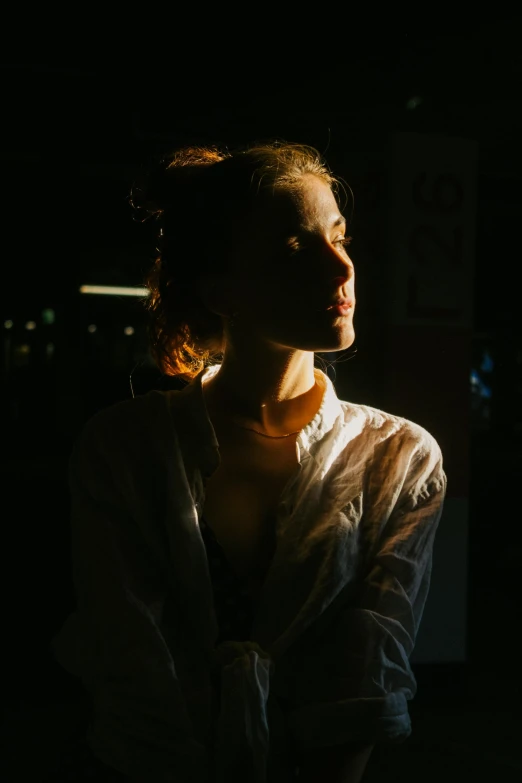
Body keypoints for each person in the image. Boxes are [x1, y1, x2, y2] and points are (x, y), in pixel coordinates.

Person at [49, 141, 447, 783]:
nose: (341, 270)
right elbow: (129, 665)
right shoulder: (125, 448)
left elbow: (369, 673)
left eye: (339, 236)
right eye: (296, 249)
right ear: (221, 290)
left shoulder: (397, 457)